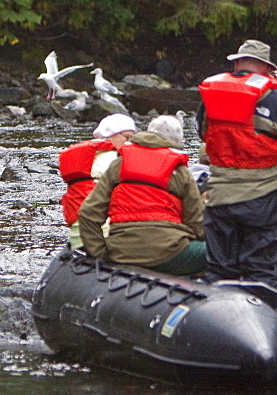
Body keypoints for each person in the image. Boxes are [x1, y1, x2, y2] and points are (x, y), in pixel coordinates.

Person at [196, 39, 277, 287]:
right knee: (260, 270)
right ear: (267, 68)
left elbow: (203, 133)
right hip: (261, 196)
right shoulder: (275, 99)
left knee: (219, 269)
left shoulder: (212, 94)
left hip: (220, 195)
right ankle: (266, 316)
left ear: (236, 64)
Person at [77, 115, 207, 276]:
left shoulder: (118, 164)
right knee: (221, 252)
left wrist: (101, 254)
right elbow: (197, 224)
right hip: (169, 253)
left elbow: (88, 213)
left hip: (121, 251)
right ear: (178, 142)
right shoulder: (181, 171)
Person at [59, 113, 136, 249]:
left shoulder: (87, 156)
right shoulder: (115, 159)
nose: (129, 143)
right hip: (102, 233)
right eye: (127, 137)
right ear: (112, 134)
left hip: (78, 234)